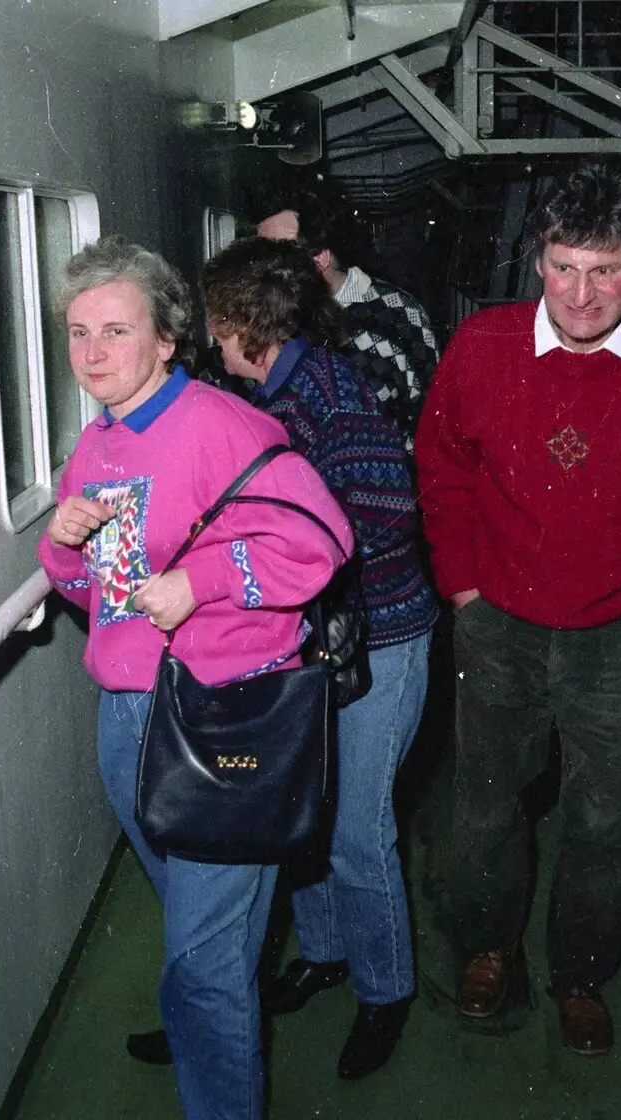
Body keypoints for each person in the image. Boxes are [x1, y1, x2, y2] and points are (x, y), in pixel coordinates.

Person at [413, 166, 621, 1057]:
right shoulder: (480, 348)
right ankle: (490, 946)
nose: (581, 294)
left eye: (604, 270)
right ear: (537, 258)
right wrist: (463, 586)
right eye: (564, 267)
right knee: (486, 800)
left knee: (605, 818)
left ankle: (580, 973)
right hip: (497, 624)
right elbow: (442, 471)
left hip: (619, 638)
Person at [37, 236, 353, 1120]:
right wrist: (60, 545)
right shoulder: (96, 444)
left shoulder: (227, 427)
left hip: (223, 725)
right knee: (204, 944)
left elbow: (325, 541)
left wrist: (202, 582)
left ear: (168, 339)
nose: (93, 354)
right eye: (77, 333)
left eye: (116, 331)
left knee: (203, 971)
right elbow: (87, 591)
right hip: (129, 723)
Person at [201, 236, 440, 1079]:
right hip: (324, 643)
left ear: (243, 324)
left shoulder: (323, 394)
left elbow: (384, 509)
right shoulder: (277, 391)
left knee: (355, 826)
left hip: (384, 635)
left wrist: (292, 561)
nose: (209, 339)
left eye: (215, 322)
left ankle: (385, 991)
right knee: (311, 807)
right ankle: (329, 952)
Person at [253, 188, 439, 449]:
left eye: (276, 257)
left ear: (320, 259)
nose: (261, 271)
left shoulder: (400, 313)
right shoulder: (272, 319)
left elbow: (432, 412)